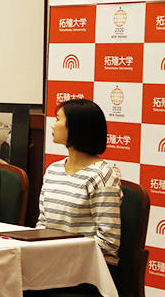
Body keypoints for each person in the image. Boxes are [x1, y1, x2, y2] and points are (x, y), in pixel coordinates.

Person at [36, 99, 121, 265]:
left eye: (58, 119)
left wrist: (60, 254)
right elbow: (43, 224)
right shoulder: (53, 170)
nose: (53, 125)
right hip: (53, 260)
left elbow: (108, 242)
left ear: (76, 127)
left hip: (89, 266)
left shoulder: (102, 176)